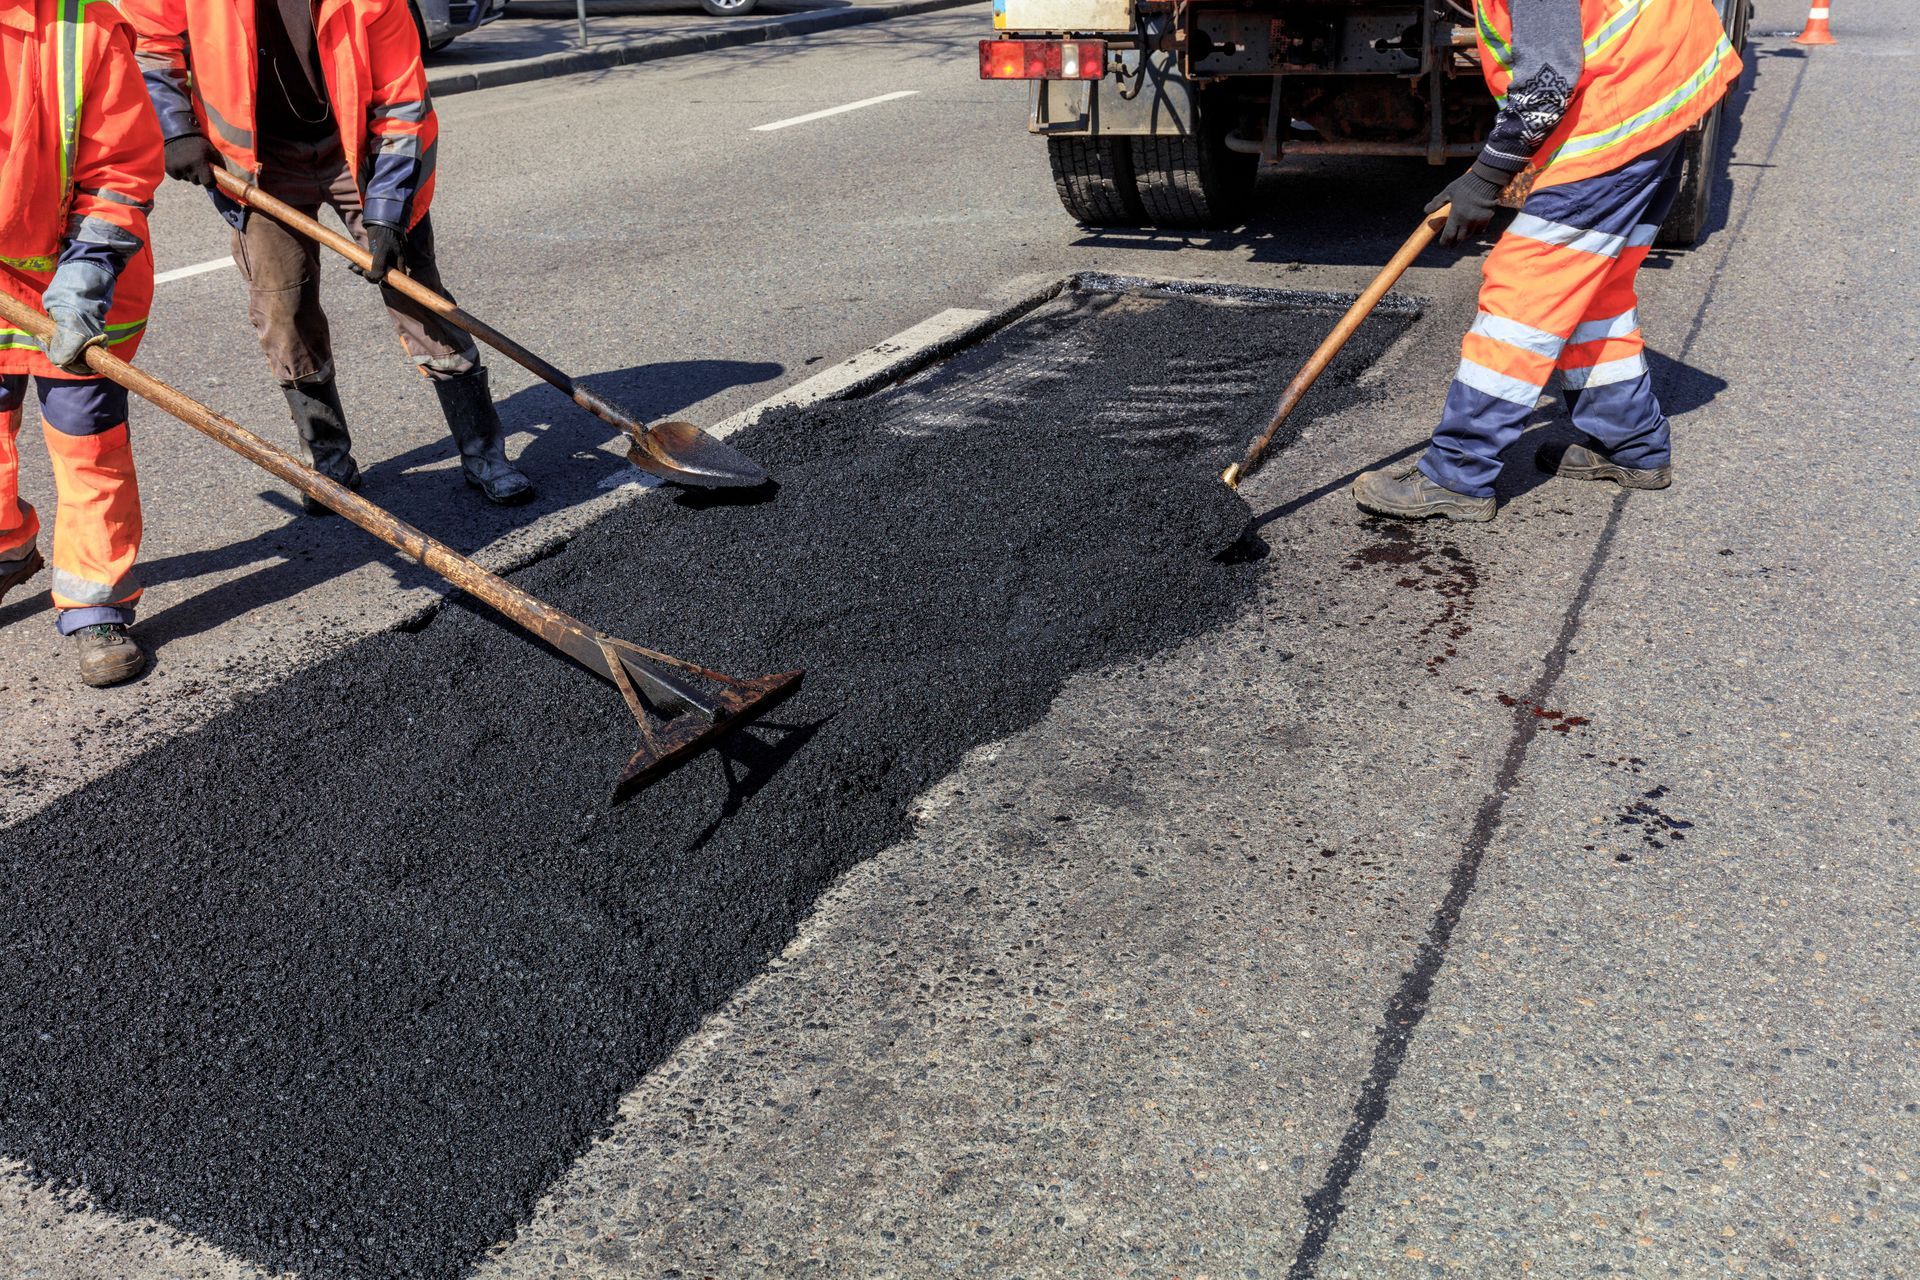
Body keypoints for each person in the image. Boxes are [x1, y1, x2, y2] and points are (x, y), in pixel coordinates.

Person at [121, 0, 533, 510]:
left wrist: (385, 216)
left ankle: (484, 453)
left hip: (356, 151)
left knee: (419, 300)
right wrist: (176, 126)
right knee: (283, 312)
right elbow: (150, 43)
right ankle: (330, 465)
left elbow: (401, 103)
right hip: (259, 165)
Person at [1354, 0, 1741, 522]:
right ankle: (1632, 444)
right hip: (1659, 82)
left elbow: (1548, 81)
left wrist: (1486, 177)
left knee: (1526, 290)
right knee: (1594, 291)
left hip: (1623, 104)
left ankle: (1457, 474)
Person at [1, 0, 163, 687]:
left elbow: (121, 168)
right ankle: (8, 550)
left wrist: (88, 270)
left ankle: (97, 600)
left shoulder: (84, 30)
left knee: (87, 443)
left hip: (78, 283)